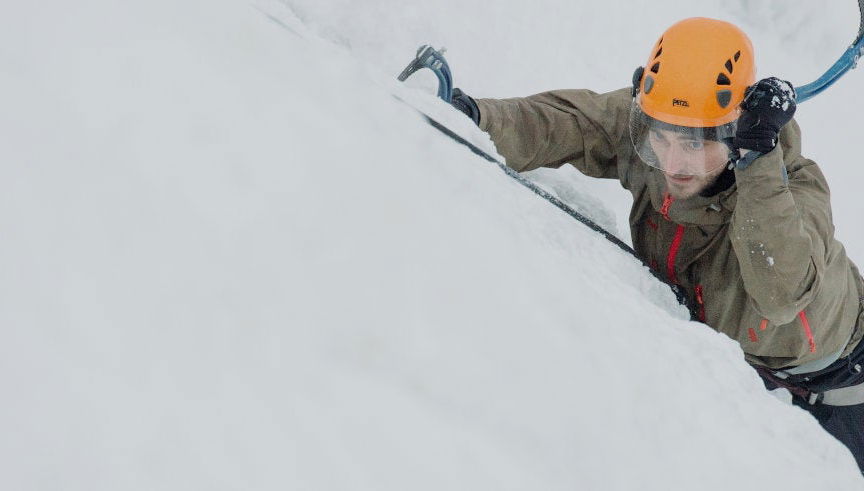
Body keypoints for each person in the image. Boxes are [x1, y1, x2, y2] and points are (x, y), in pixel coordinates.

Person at [450, 17, 864, 471]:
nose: (673, 162)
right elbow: (570, 124)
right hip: (752, 380)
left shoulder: (793, 187)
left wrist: (758, 163)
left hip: (845, 385)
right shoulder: (659, 128)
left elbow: (781, 292)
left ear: (738, 132)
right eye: (659, 140)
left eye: (695, 143)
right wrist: (475, 118)